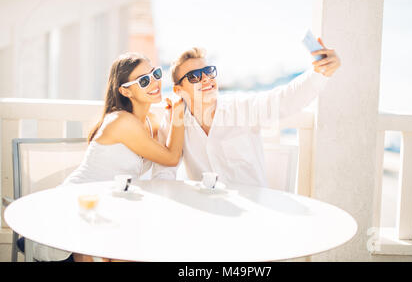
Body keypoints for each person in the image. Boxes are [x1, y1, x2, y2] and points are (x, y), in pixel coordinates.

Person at [27, 52, 185, 262]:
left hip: (104, 212)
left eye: (155, 74)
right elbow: (172, 157)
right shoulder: (121, 121)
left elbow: (168, 154)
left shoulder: (150, 122)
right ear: (125, 91)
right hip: (74, 211)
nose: (155, 82)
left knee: (135, 244)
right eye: (144, 80)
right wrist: (179, 111)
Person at [152, 39, 341, 186]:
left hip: (252, 211)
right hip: (206, 212)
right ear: (178, 90)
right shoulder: (173, 118)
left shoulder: (240, 107)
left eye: (208, 71)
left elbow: (285, 100)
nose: (206, 79)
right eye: (194, 76)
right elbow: (164, 170)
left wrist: (321, 72)